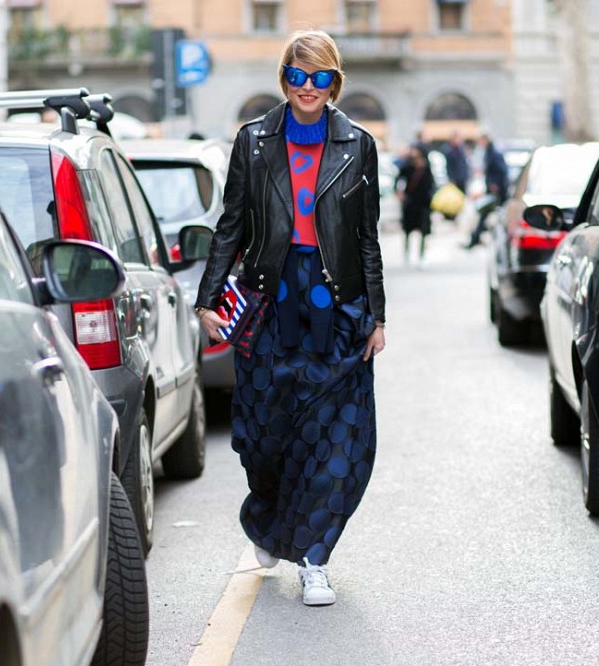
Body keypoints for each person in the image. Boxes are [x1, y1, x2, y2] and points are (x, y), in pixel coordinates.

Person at [193, 29, 386, 607]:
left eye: (320, 77)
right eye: (298, 76)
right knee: (262, 437)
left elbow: (366, 237)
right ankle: (272, 521)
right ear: (284, 78)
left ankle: (314, 558)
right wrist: (208, 300)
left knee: (336, 439)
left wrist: (376, 315)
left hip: (337, 305)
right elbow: (231, 225)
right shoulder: (253, 141)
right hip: (268, 300)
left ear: (335, 83)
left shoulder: (358, 145)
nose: (308, 87)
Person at [465, 133, 509, 249]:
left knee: (487, 214)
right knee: (485, 214)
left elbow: (502, 171)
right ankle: (476, 238)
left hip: (497, 192)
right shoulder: (489, 152)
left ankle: (476, 238)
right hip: (493, 190)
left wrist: (495, 185)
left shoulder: (494, 153)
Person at [396, 144, 435, 266]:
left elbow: (431, 184)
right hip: (410, 202)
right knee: (407, 230)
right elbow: (399, 180)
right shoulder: (407, 166)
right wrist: (399, 193)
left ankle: (421, 255)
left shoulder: (427, 167)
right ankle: (406, 254)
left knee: (423, 230)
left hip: (424, 203)